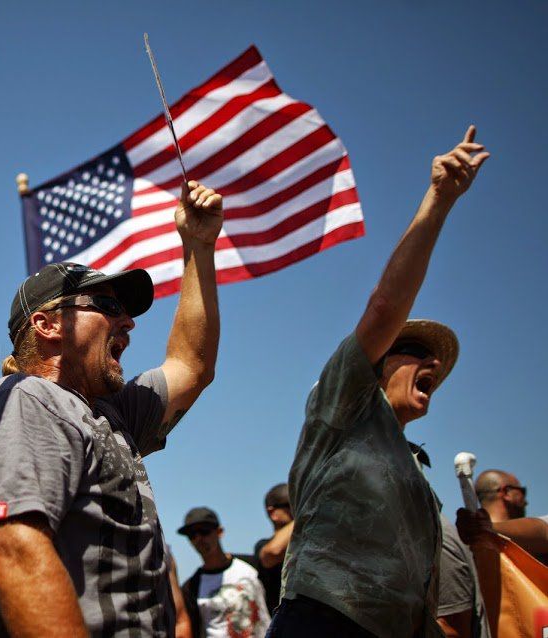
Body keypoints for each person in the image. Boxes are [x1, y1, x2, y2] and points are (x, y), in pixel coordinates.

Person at [0, 180, 224, 636]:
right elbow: (15, 555)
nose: (129, 323)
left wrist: (198, 245)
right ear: (47, 324)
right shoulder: (26, 401)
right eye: (106, 306)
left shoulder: (112, 414)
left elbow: (191, 366)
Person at [267, 126, 490, 638]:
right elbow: (385, 307)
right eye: (415, 352)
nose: (432, 365)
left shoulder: (417, 484)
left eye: (438, 363)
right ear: (377, 363)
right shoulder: (344, 407)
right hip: (324, 625)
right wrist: (439, 200)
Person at [179, 507, 270, 638]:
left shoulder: (252, 566)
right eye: (192, 534)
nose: (199, 538)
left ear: (219, 532)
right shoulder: (191, 587)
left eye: (204, 531)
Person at [254, 483, 293, 615]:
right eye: (292, 504)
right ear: (273, 513)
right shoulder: (263, 545)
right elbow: (273, 552)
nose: (298, 509)